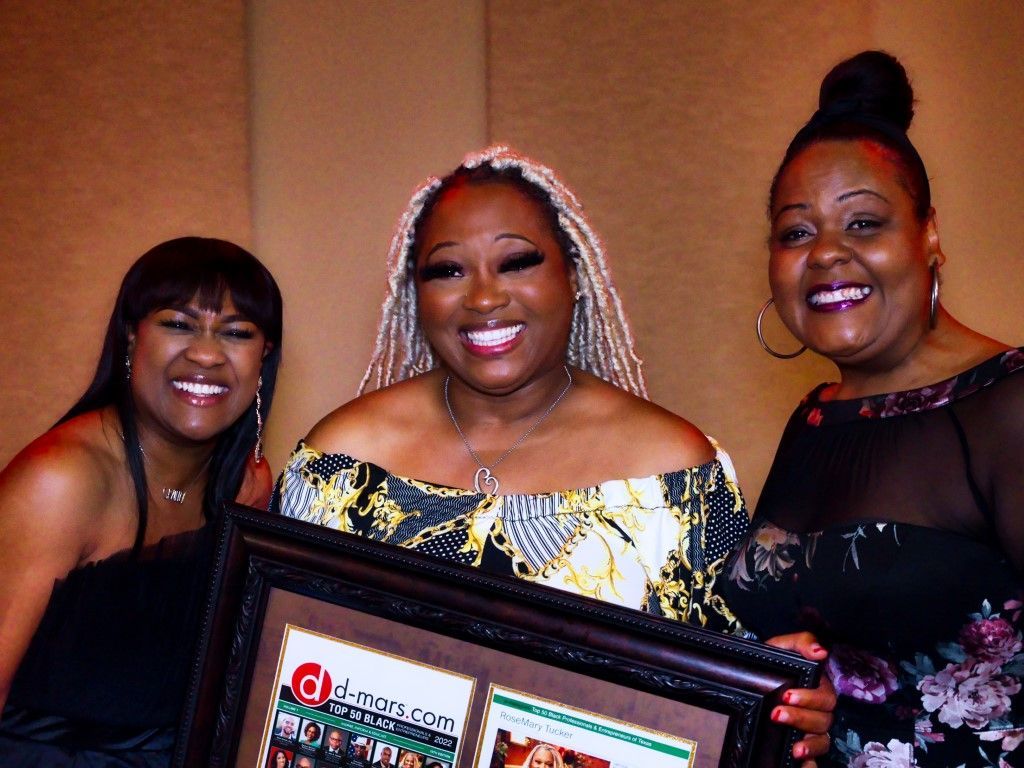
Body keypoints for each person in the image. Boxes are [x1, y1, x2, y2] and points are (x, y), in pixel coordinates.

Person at [274, 146, 832, 761]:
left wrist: (784, 710)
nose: (484, 297)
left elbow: (725, 700)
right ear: (415, 295)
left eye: (516, 262)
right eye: (448, 271)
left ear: (573, 277)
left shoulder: (674, 473)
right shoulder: (337, 465)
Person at [724, 50, 1024, 766]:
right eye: (797, 232)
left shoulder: (1008, 405)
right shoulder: (815, 420)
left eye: (862, 223)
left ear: (929, 235)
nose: (826, 253)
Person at [0, 237, 283, 766]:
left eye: (236, 332)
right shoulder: (60, 481)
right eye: (178, 324)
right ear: (132, 334)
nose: (206, 354)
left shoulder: (247, 484)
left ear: (263, 354)